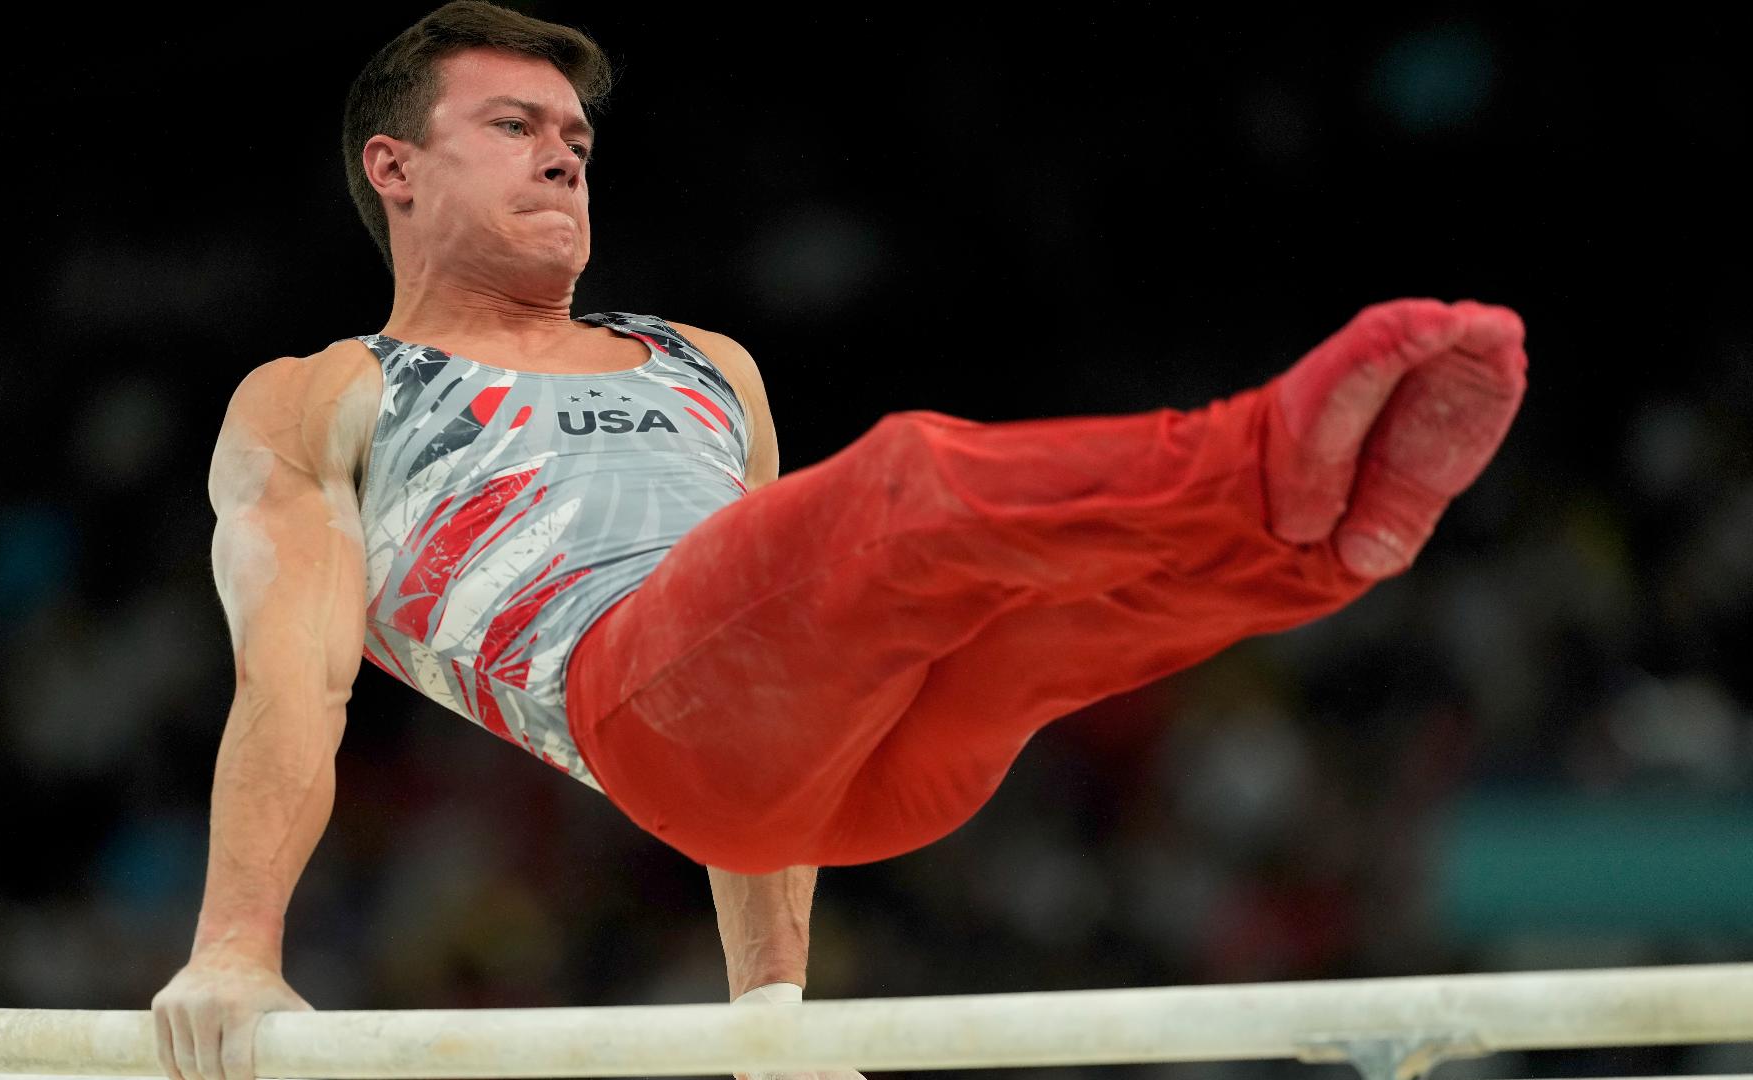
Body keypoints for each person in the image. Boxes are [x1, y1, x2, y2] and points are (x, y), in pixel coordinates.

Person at [150, 4, 1529, 1080]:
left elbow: (788, 630)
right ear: (394, 167)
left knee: (1029, 614)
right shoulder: (324, 396)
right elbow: (295, 679)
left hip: (841, 778)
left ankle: (1333, 547)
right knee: (910, 486)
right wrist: (233, 949)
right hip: (635, 710)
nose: (564, 151)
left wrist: (772, 1016)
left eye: (574, 132)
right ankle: (1263, 454)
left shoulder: (703, 366)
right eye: (513, 125)